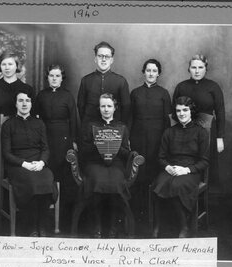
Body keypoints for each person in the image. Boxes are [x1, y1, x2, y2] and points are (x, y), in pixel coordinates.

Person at [151, 96, 209, 238]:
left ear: (191, 111)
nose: (181, 114)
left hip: (191, 170)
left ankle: (184, 227)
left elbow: (205, 161)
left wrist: (186, 170)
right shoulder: (169, 132)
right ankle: (158, 226)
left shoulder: (201, 132)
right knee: (158, 184)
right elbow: (161, 157)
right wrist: (168, 167)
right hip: (172, 168)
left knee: (177, 185)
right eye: (178, 111)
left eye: (185, 110)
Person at [1, 91, 55, 237]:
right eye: (21, 100)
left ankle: (41, 225)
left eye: (28, 100)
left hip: (37, 163)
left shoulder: (39, 123)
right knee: (32, 182)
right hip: (18, 166)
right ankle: (32, 227)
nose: (24, 104)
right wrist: (24, 164)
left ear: (31, 103)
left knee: (47, 177)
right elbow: (6, 153)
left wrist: (42, 162)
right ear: (16, 104)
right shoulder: (8, 125)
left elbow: (45, 148)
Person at [35, 64, 78, 233]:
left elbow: (74, 120)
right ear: (47, 78)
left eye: (57, 76)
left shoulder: (68, 96)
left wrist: (73, 141)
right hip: (45, 138)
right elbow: (36, 119)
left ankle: (64, 219)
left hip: (63, 138)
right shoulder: (41, 96)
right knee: (46, 175)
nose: (54, 78)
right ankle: (44, 216)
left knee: (63, 176)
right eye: (51, 75)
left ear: (62, 78)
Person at [129, 59, 172, 226]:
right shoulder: (135, 93)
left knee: (155, 171)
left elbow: (167, 121)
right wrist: (129, 140)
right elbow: (130, 117)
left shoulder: (163, 93)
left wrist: (165, 141)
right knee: (138, 172)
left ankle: (156, 214)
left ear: (158, 74)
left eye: (154, 71)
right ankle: (139, 211)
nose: (151, 74)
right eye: (148, 70)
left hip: (157, 138)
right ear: (143, 72)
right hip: (138, 136)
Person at [80, 93, 130, 238]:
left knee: (115, 181)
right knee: (97, 180)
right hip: (95, 163)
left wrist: (115, 145)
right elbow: (83, 152)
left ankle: (114, 227)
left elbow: (127, 153)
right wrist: (97, 144)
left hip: (116, 164)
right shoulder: (91, 126)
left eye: (109, 106)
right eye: (103, 106)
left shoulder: (122, 127)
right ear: (99, 108)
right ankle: (97, 227)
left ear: (115, 108)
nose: (106, 109)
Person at [0, 50, 35, 190]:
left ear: (17, 66)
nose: (7, 67)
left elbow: (32, 113)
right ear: (0, 66)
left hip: (21, 132)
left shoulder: (26, 89)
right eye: (4, 64)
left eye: (10, 64)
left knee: (19, 163)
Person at [173, 54, 225, 152]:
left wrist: (220, 138)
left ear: (206, 69)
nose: (197, 71)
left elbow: (220, 113)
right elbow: (174, 112)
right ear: (189, 69)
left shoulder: (213, 87)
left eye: (200, 67)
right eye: (194, 67)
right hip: (185, 131)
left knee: (207, 162)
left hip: (208, 131)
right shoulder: (181, 87)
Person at [77, 41, 130, 133]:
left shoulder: (121, 81)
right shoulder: (86, 80)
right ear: (95, 59)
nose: (103, 59)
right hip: (90, 130)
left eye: (107, 56)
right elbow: (81, 106)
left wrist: (120, 128)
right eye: (100, 56)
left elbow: (126, 108)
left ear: (112, 60)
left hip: (114, 131)